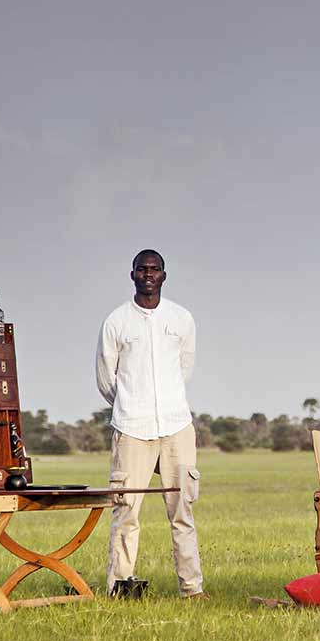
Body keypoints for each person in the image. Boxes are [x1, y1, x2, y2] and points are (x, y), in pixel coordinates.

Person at [96, 249, 204, 599]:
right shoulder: (116, 322)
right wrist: (131, 404)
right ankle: (119, 587)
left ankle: (192, 589)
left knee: (182, 512)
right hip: (132, 427)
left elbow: (185, 369)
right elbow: (105, 379)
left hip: (176, 425)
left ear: (163, 276)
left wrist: (163, 403)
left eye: (154, 269)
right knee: (126, 510)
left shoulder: (181, 318)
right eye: (142, 269)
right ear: (132, 276)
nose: (148, 275)